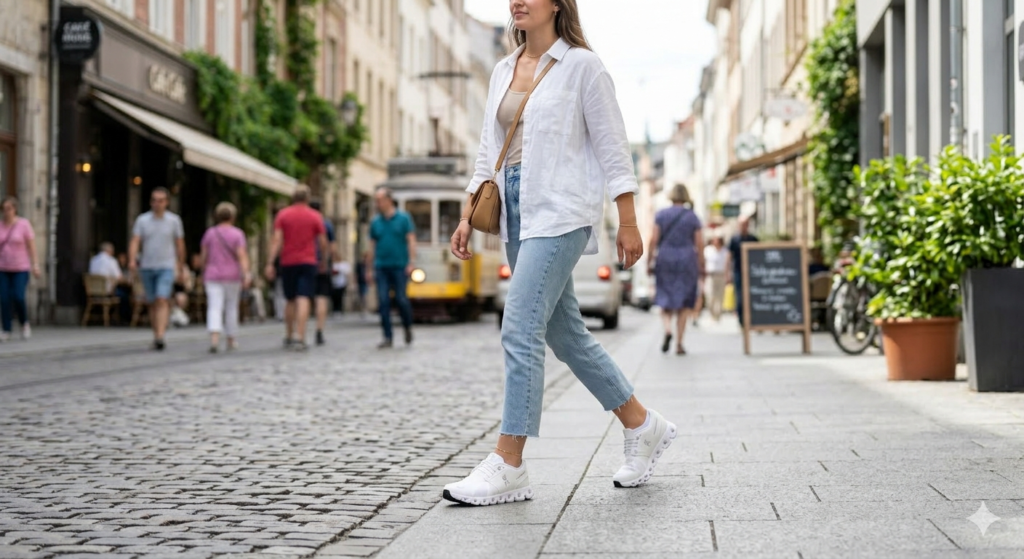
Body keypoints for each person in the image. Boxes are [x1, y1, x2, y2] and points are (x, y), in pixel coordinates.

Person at [445, 0, 676, 506]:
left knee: (519, 326)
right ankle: (643, 424)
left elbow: (615, 149)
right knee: (566, 335)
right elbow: (488, 153)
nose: (518, 1)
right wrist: (466, 214)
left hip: (562, 210)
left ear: (557, 4)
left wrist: (630, 222)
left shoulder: (583, 66)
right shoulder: (504, 68)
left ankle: (509, 463)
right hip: (513, 209)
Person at [265, 185, 328, 351]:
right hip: (308, 261)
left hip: (288, 261)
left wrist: (270, 262)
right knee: (304, 297)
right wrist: (324, 260)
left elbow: (276, 240)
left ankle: (288, 334)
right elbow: (322, 241)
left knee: (290, 299)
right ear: (307, 198)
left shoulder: (283, 215)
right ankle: (301, 336)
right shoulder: (315, 216)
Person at [648, 184, 704, 355]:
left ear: (671, 196)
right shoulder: (692, 217)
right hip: (687, 260)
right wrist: (702, 265)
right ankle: (679, 343)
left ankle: (667, 329)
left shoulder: (661, 215)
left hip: (665, 259)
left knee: (665, 297)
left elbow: (653, 240)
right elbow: (700, 244)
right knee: (684, 303)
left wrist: (649, 261)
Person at [128, 187, 185, 350]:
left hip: (166, 265)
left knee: (162, 299)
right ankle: (156, 334)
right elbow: (135, 241)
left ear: (166, 202)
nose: (157, 204)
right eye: (154, 200)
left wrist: (180, 265)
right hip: (147, 266)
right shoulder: (143, 220)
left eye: (160, 200)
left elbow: (180, 244)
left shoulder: (174, 221)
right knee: (152, 302)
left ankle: (160, 336)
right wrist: (132, 259)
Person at [367, 187, 416, 349]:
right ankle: (387, 336)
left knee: (401, 300)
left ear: (389, 201)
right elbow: (371, 246)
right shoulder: (375, 222)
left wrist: (411, 262)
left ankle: (407, 326)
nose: (377, 204)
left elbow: (411, 240)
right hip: (381, 266)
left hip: (400, 266)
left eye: (379, 200)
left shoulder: (403, 218)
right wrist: (369, 268)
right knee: (383, 301)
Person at [199, 202, 250, 353]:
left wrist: (203, 270)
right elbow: (242, 255)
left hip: (213, 275)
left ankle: (214, 339)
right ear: (233, 217)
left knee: (214, 306)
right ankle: (231, 338)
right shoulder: (237, 234)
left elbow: (204, 256)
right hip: (232, 275)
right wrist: (246, 273)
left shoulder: (210, 233)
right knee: (231, 307)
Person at [0, 197, 40, 341]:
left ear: (15, 209)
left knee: (18, 296)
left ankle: (24, 323)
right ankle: (6, 329)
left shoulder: (23, 224)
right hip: (3, 268)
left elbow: (31, 247)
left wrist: (35, 265)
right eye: (4, 209)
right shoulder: (0, 225)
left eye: (9, 209)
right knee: (4, 298)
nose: (6, 212)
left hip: (21, 268)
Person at [308, 199, 336, 346]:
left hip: (305, 263)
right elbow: (331, 247)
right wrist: (327, 261)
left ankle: (298, 331)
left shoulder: (304, 222)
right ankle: (319, 330)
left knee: (303, 297)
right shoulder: (327, 224)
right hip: (321, 265)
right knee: (321, 298)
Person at [725, 216, 759, 327]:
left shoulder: (753, 239)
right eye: (742, 224)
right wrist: (728, 273)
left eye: (745, 224)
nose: (744, 227)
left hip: (752, 272)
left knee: (752, 295)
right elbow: (729, 257)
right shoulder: (734, 240)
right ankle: (742, 320)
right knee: (740, 297)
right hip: (738, 272)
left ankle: (752, 318)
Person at [703, 235, 729, 321]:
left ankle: (717, 315)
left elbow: (728, 264)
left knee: (719, 297)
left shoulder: (725, 251)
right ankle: (712, 313)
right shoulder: (708, 250)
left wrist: (727, 275)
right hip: (710, 275)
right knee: (710, 296)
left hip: (721, 275)